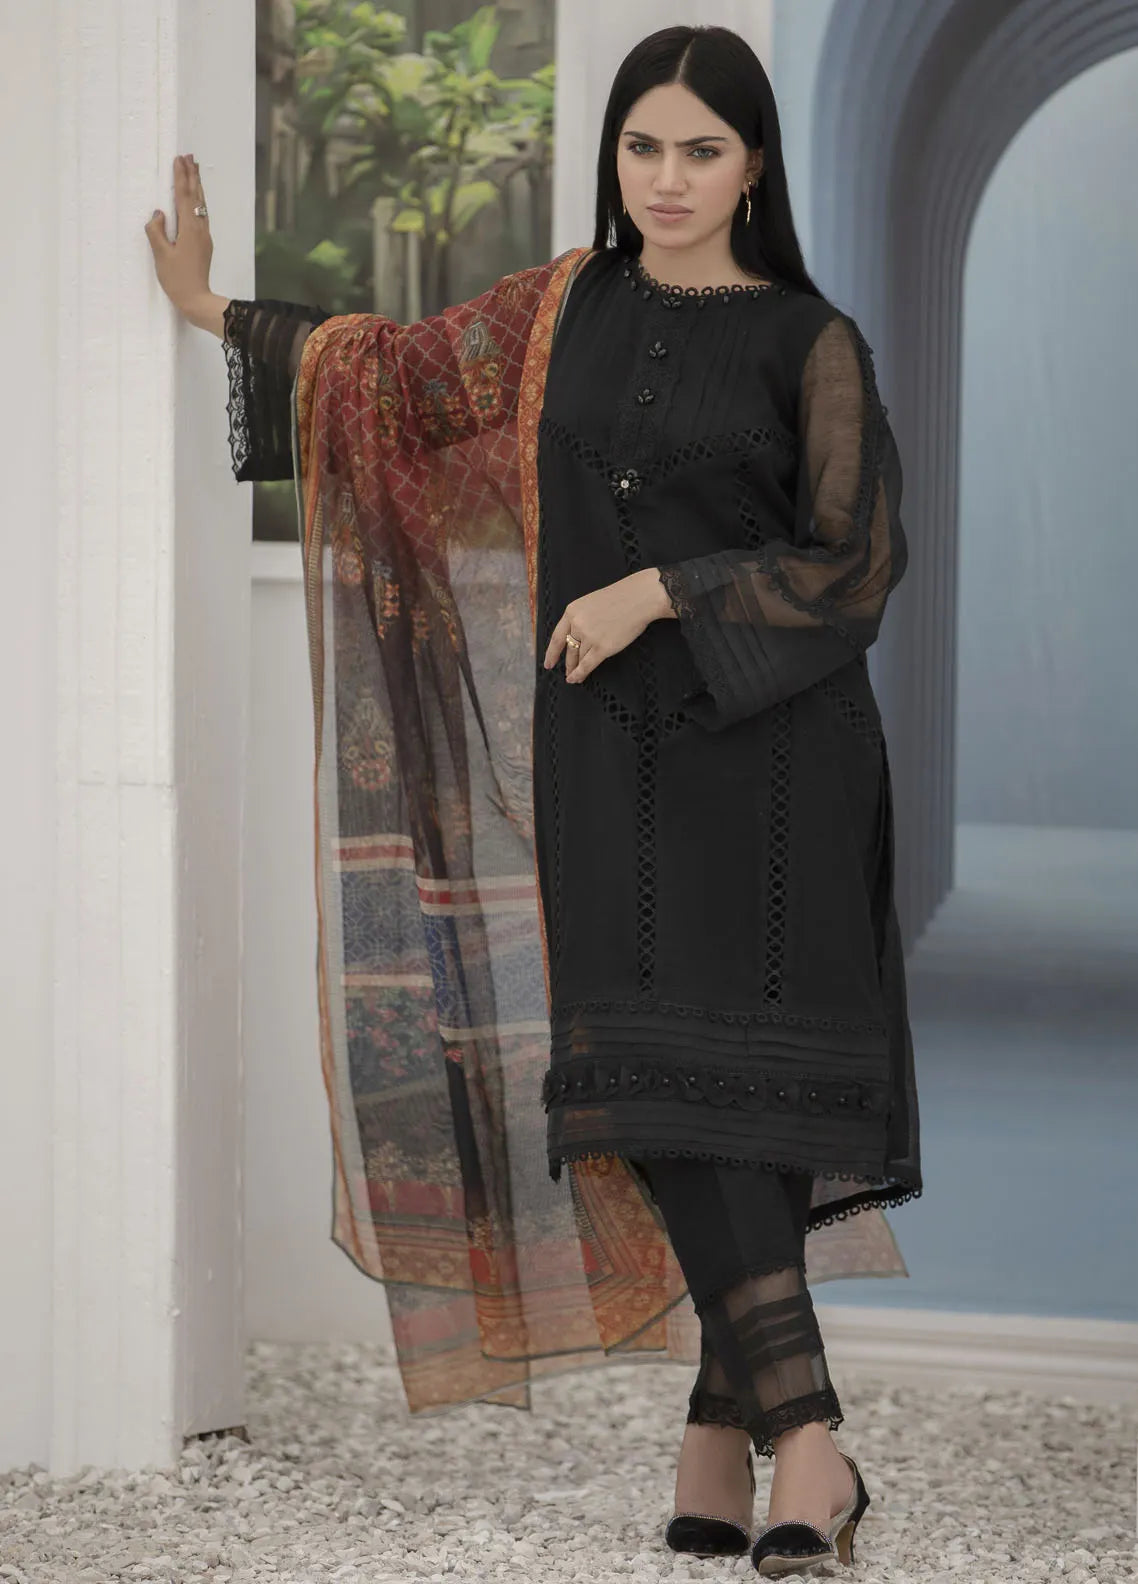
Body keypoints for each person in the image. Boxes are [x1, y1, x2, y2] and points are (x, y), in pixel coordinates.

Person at [147, 23, 921, 1577]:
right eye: (642, 146)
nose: (666, 178)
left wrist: (658, 590)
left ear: (752, 167)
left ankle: (784, 1450)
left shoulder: (808, 341)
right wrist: (217, 311)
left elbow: (853, 567)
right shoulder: (561, 310)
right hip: (605, 769)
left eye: (701, 150)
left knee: (736, 1098)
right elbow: (392, 376)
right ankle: (773, 1446)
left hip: (772, 774)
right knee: (648, 1095)